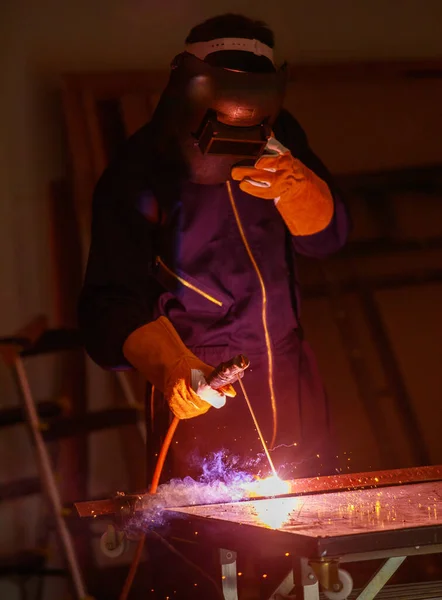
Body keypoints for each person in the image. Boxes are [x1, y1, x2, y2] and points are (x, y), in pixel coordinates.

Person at [79, 13, 350, 490]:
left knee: (316, 535)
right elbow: (107, 307)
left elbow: (328, 240)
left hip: (288, 374)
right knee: (214, 548)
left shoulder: (281, 139)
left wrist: (301, 190)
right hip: (206, 388)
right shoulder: (138, 169)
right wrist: (172, 367)